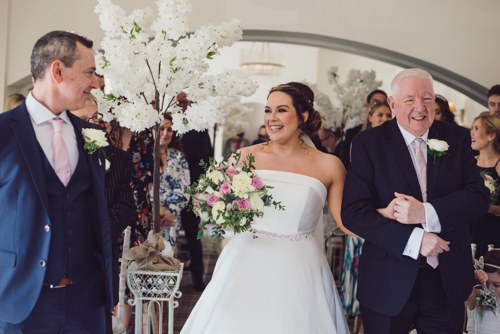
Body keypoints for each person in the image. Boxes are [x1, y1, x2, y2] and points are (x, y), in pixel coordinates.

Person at [181, 82, 350, 334]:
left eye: (281, 110)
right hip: (245, 260)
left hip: (299, 268)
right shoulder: (243, 156)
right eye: (268, 110)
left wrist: (391, 223)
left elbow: (345, 220)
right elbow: (212, 200)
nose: (272, 118)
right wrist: (210, 202)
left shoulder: (329, 165)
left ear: (303, 116)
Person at [341, 68, 489, 333]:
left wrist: (426, 213)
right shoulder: (368, 143)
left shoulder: (456, 137)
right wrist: (415, 240)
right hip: (387, 279)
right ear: (392, 103)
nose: (420, 108)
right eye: (409, 99)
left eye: (428, 98)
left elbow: (478, 198)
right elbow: (354, 213)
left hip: (447, 280)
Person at [0, 30, 114, 333]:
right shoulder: (2, 133)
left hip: (87, 303)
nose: (94, 82)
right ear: (58, 70)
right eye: (89, 72)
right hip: (20, 302)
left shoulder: (89, 136)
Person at [71, 94, 135, 330]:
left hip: (99, 257)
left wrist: (99, 231)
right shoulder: (53, 156)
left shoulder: (116, 158)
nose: (90, 123)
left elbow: (126, 206)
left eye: (95, 117)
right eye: (83, 118)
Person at [340, 98, 392, 329]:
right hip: (366, 214)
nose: (384, 119)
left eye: (388, 116)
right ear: (370, 118)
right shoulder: (361, 143)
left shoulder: (394, 145)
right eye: (379, 115)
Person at [177, 92, 212, 292]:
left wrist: (195, 188)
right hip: (168, 187)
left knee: (193, 232)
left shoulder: (198, 127)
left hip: (192, 188)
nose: (181, 105)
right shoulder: (165, 124)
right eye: (178, 101)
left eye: (184, 101)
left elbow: (205, 159)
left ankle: (197, 276)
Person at [153, 114, 191, 247]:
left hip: (170, 218)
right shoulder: (143, 154)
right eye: (161, 128)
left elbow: (184, 187)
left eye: (169, 130)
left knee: (166, 260)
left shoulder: (178, 156)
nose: (165, 133)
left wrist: (172, 211)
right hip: (147, 216)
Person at [470, 112, 500, 257]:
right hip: (471, 228)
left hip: (494, 230)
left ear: (491, 135)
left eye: (476, 128)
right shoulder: (470, 162)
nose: (471, 133)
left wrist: (489, 208)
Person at [340, 89, 388, 168]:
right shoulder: (353, 135)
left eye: (384, 102)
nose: (385, 119)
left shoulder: (396, 136)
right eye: (375, 102)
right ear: (367, 105)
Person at [465, 249, 500, 334]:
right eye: (485, 283)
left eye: (497, 285)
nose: (489, 290)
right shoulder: (476, 294)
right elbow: (471, 302)